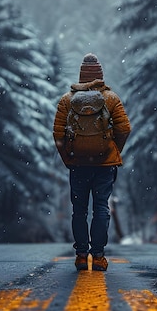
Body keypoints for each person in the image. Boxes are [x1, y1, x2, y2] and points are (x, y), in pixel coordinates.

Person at [53, 53, 131, 271]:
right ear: (100, 75)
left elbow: (58, 134)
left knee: (79, 210)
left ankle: (80, 255)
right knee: (101, 208)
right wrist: (112, 151)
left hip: (78, 164)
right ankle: (97, 256)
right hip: (104, 165)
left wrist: (68, 158)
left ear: (81, 75)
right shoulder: (111, 98)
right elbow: (124, 129)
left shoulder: (67, 100)